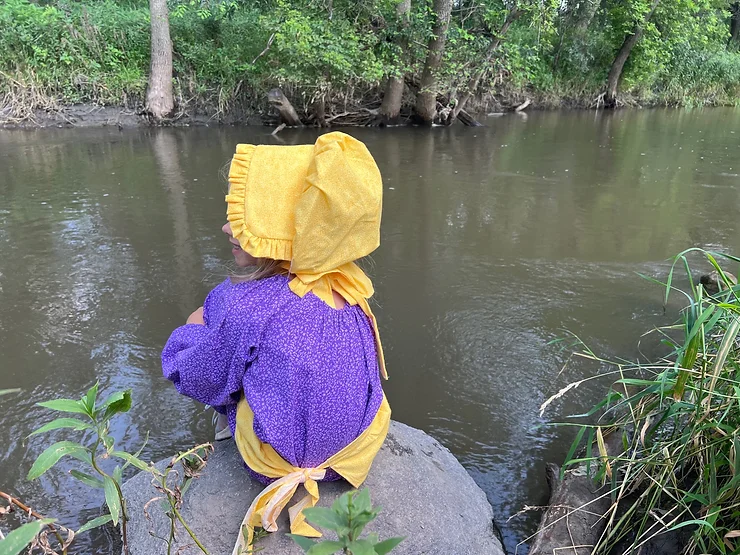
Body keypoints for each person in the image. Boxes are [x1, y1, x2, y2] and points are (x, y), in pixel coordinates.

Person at [161, 131, 391, 553]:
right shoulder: (350, 287)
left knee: (216, 361)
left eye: (246, 220)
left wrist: (190, 331)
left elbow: (192, 374)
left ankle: (236, 442)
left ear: (284, 225)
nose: (227, 227)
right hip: (350, 455)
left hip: (276, 465)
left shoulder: (246, 307)